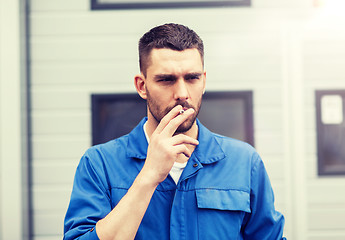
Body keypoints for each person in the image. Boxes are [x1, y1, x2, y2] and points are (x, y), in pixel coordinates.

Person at [64, 23, 286, 240]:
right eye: (166, 80)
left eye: (192, 78)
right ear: (142, 86)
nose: (182, 93)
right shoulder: (99, 164)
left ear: (204, 81)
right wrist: (149, 176)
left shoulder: (244, 162)